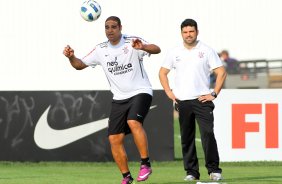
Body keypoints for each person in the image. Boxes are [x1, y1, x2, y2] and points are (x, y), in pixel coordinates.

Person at [63, 16, 161, 184]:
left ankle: (145, 164)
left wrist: (143, 46)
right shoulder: (100, 49)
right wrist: (71, 57)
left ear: (120, 27)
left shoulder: (132, 42)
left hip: (140, 91)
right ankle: (126, 177)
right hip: (119, 98)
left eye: (113, 27)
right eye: (107, 27)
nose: (110, 30)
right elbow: (79, 65)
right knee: (114, 139)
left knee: (133, 122)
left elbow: (157, 49)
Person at [159, 18, 227, 181]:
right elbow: (162, 73)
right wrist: (169, 92)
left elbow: (221, 72)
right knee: (187, 137)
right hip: (183, 101)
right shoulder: (174, 52)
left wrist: (214, 93)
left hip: (202, 100)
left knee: (207, 134)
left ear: (197, 32)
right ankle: (191, 172)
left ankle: (214, 170)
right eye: (185, 32)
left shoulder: (206, 50)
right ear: (181, 33)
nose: (188, 35)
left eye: (191, 31)